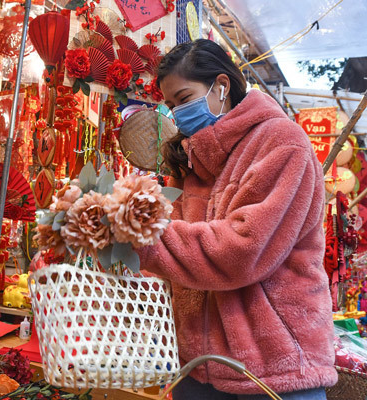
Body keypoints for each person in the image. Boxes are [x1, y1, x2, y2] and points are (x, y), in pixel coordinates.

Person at [138, 39, 337, 399]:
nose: (177, 114)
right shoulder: (192, 160)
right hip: (196, 370)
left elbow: (243, 251)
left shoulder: (282, 144)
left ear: (221, 86)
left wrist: (139, 235)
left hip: (275, 368)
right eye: (170, 106)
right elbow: (171, 258)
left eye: (184, 100)